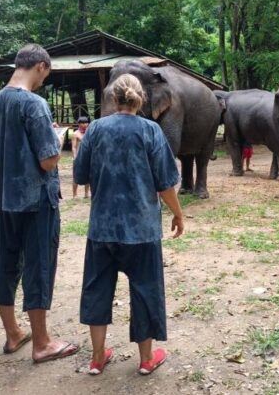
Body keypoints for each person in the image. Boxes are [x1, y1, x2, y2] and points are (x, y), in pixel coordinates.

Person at [74, 74, 184, 376]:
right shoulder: (150, 131)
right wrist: (178, 213)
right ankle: (147, 359)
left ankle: (98, 357)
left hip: (102, 228)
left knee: (97, 290)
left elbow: (80, 175)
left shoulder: (95, 130)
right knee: (146, 290)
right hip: (142, 230)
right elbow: (164, 184)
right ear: (141, 99)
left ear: (113, 99)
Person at [0, 44, 79, 362]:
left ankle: (13, 334)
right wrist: (58, 136)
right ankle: (42, 343)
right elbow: (49, 159)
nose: (43, 81)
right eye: (45, 75)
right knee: (39, 266)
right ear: (40, 66)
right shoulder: (34, 104)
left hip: (7, 197)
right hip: (37, 200)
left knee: (4, 263)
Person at [72, 116, 90, 199]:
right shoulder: (75, 134)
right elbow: (74, 147)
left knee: (88, 175)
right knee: (76, 176)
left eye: (86, 122)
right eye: (83, 123)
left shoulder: (89, 132)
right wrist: (75, 157)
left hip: (88, 156)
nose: (85, 124)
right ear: (79, 124)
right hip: (78, 157)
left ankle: (86, 193)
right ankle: (75, 194)